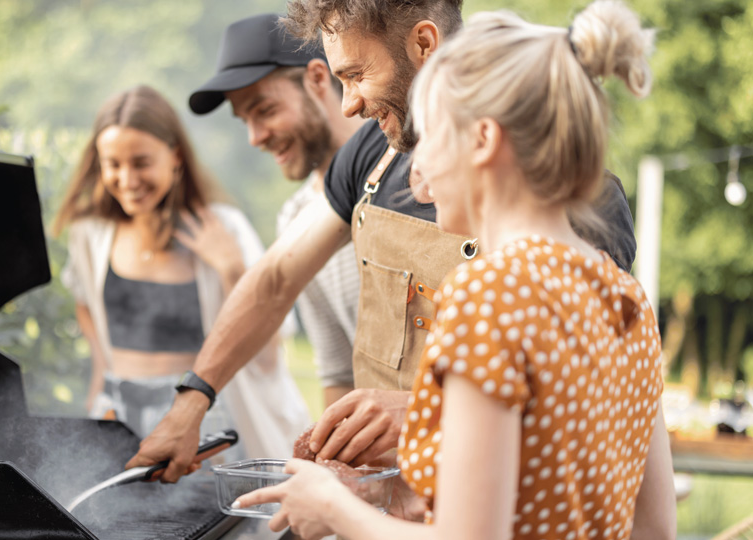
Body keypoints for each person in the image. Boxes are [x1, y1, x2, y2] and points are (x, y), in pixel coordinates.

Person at [126, 0, 637, 482]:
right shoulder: (373, 151)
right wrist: (192, 401)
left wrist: (420, 412)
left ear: (424, 44)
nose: (348, 105)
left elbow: (580, 408)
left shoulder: (580, 205)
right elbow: (277, 279)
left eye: (355, 75)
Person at [235, 3, 676, 539]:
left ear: (483, 140)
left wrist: (331, 507)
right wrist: (383, 496)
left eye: (432, 137)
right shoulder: (625, 299)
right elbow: (654, 530)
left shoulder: (486, 296)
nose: (416, 172)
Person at [52, 85, 309, 460]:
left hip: (200, 417)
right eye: (113, 164)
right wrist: (100, 377)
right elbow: (85, 305)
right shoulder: (90, 234)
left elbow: (269, 352)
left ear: (175, 156)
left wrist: (231, 267)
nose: (128, 179)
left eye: (141, 162)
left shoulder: (225, 227)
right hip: (117, 415)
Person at [189, 13, 365, 408]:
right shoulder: (294, 218)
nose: (255, 138)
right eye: (245, 121)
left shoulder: (407, 171)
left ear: (317, 79)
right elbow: (339, 373)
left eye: (265, 110)